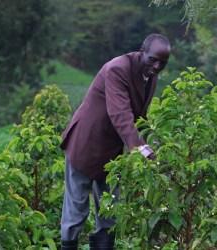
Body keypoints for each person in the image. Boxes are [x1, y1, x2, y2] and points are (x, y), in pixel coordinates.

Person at [60, 33, 171, 249]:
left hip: (113, 150)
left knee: (109, 210)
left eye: (163, 63)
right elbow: (120, 114)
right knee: (76, 209)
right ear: (142, 52)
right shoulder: (117, 68)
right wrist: (142, 149)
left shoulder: (150, 75)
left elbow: (140, 117)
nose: (157, 66)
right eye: (153, 59)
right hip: (87, 142)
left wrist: (154, 145)